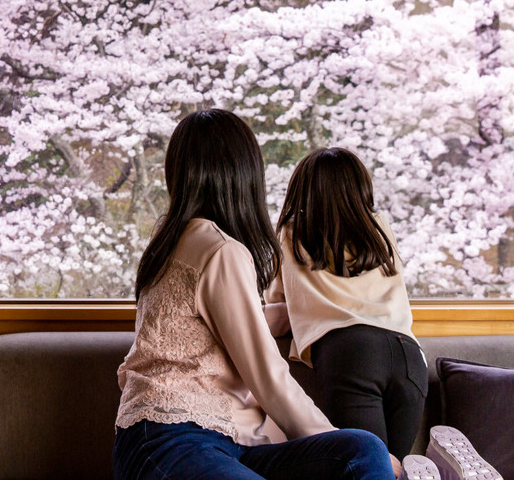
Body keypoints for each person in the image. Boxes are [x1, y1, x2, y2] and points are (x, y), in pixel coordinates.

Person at [113, 109, 398, 480]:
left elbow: (221, 327)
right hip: (171, 440)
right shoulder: (219, 249)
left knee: (361, 450)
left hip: (225, 443)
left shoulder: (170, 240)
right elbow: (268, 376)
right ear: (243, 174)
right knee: (368, 453)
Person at [263, 147, 436, 478]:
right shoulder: (380, 229)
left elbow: (277, 304)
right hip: (409, 357)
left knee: (372, 469)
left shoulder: (291, 232)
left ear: (303, 189)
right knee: (388, 469)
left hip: (351, 353)